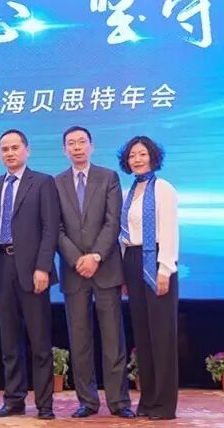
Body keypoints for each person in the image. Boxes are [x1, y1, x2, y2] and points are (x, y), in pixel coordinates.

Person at [0, 129, 60, 420]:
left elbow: (50, 228)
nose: (9, 153)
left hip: (32, 269)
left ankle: (45, 404)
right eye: (4, 149)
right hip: (1, 266)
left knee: (39, 341)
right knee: (9, 340)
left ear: (27, 150)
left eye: (15, 147)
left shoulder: (43, 182)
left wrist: (43, 267)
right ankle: (13, 400)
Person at [55, 126, 134, 418]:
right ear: (64, 150)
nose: (77, 147)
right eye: (71, 143)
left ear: (91, 146)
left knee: (113, 339)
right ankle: (87, 402)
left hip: (106, 269)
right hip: (74, 271)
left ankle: (119, 402)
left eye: (82, 142)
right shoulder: (56, 183)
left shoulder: (108, 177)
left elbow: (114, 222)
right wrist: (78, 259)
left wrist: (96, 256)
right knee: (80, 341)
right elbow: (56, 228)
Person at [117, 135, 179, 421]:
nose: (137, 159)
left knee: (161, 335)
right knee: (142, 335)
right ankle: (148, 400)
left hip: (155, 261)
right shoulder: (130, 191)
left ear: (153, 156)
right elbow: (124, 235)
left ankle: (164, 405)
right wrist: (123, 274)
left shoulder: (163, 188)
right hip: (132, 261)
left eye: (142, 154)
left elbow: (169, 230)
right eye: (132, 155)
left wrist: (165, 268)